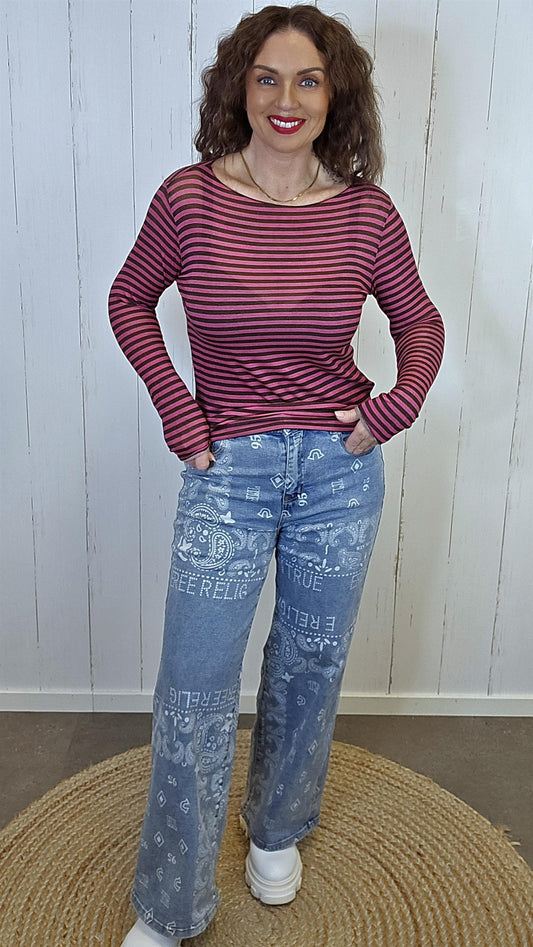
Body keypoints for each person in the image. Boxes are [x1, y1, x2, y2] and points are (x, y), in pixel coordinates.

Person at [109, 5, 444, 944]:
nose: (285, 98)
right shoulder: (190, 199)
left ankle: (276, 827)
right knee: (194, 683)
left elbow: (420, 323)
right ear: (240, 89)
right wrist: (180, 410)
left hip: (338, 474)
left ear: (334, 96)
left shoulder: (365, 213)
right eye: (266, 77)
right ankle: (171, 903)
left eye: (306, 79)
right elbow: (130, 298)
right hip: (228, 470)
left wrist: (391, 409)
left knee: (309, 662)